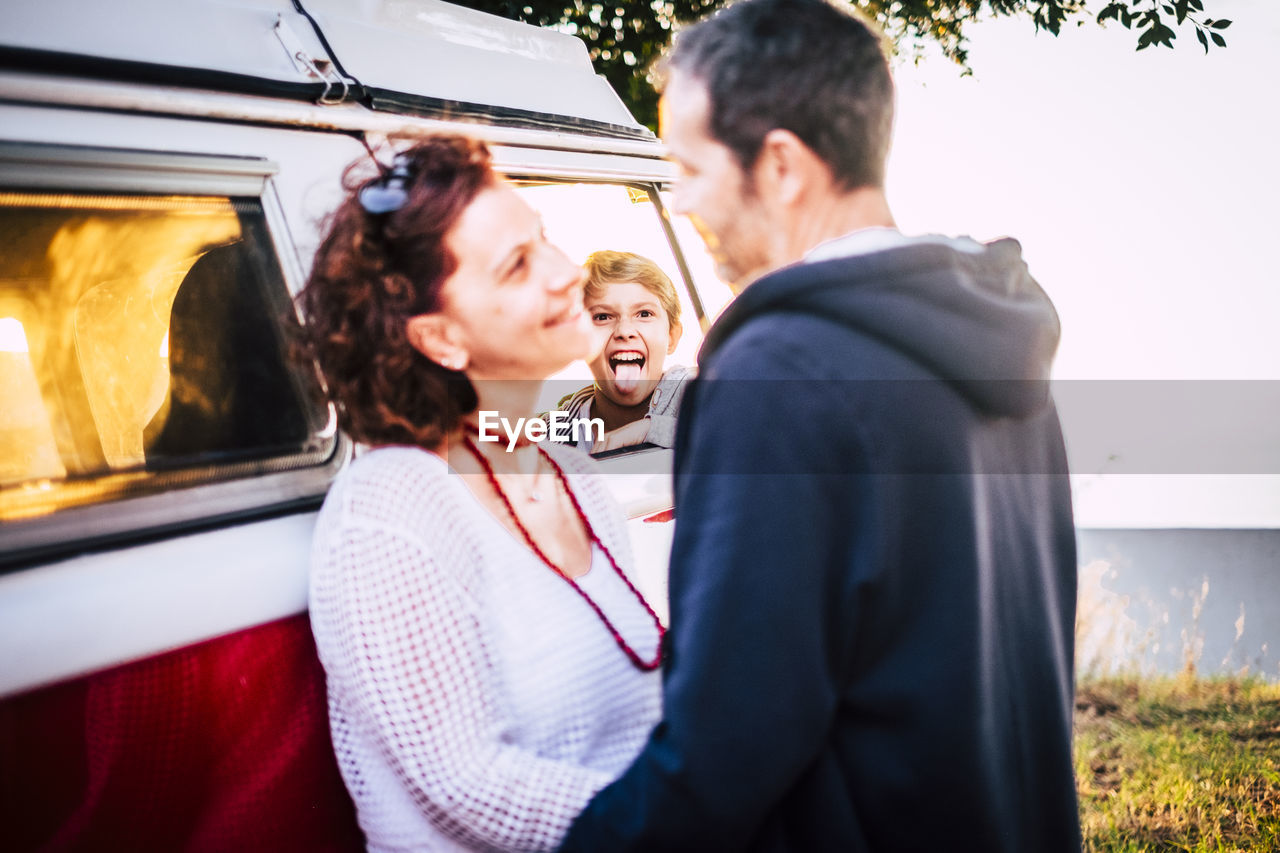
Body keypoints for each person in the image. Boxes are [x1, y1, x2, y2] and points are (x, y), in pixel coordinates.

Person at [559, 1, 1081, 851]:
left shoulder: (779, 370)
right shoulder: (992, 334)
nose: (680, 198)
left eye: (689, 167)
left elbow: (727, 745)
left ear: (781, 166)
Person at [298, 135, 665, 852]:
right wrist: (693, 817)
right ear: (441, 338)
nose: (566, 273)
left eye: (545, 238)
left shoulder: (569, 472)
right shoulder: (388, 512)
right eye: (518, 265)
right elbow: (472, 781)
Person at [556, 250, 694, 453]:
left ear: (672, 336)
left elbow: (740, 427)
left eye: (644, 314)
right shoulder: (558, 427)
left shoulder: (697, 391)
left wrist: (650, 431)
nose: (625, 331)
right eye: (602, 317)